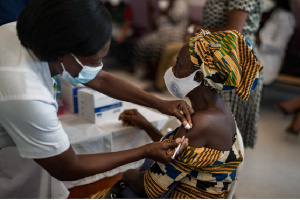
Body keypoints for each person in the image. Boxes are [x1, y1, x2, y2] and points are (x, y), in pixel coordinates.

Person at [0, 0, 194, 198]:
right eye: (94, 61)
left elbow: (100, 79)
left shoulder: (34, 35)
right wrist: (144, 151)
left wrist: (160, 104)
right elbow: (68, 167)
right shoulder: (26, 92)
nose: (98, 67)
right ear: (64, 53)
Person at [91, 30, 263, 199]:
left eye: (178, 66)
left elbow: (149, 188)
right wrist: (146, 125)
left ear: (198, 77)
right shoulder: (220, 108)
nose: (172, 70)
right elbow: (181, 157)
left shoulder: (200, 123)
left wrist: (126, 174)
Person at [195, 0, 264, 148]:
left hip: (233, 60)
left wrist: (199, 33)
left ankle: (221, 168)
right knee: (213, 124)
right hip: (221, 55)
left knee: (225, 129)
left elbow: (234, 30)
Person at [133, 0, 189, 80]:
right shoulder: (165, 4)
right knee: (142, 42)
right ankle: (141, 70)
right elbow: (156, 25)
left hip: (175, 34)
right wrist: (151, 11)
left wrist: (168, 6)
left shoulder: (181, 4)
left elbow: (174, 16)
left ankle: (155, 76)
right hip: (161, 33)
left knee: (157, 47)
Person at [256, 0, 296, 85]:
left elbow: (279, 45)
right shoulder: (267, 10)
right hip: (255, 53)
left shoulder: (286, 17)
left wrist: (260, 40)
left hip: (268, 61)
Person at [104, 0, 134, 67]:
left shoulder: (126, 7)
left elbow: (128, 22)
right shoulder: (104, 7)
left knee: (127, 43)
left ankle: (128, 64)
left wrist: (122, 36)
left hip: (122, 29)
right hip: (110, 28)